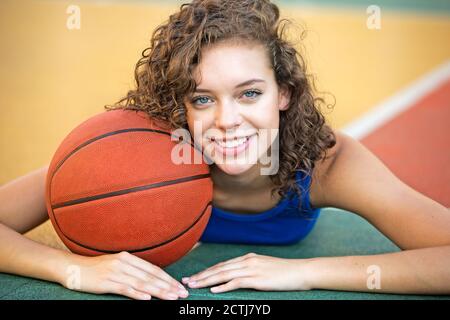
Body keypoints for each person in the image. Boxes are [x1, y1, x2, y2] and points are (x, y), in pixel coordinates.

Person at [1, 0, 449, 300]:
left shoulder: (328, 162)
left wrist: (306, 272)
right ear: (177, 105)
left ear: (284, 93)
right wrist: (73, 270)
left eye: (250, 93)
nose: (226, 120)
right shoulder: (136, 150)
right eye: (202, 98)